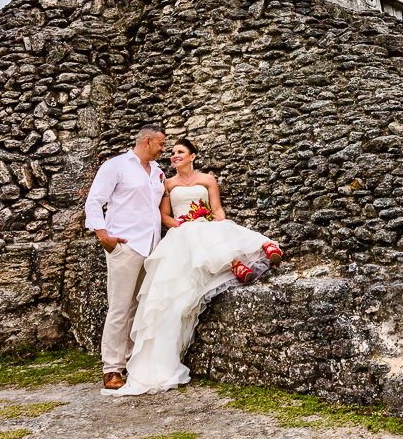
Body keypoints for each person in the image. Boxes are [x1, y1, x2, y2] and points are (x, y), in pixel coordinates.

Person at [105, 138, 281, 396]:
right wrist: (183, 223)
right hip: (180, 231)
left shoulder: (208, 179)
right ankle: (235, 263)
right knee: (193, 233)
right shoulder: (167, 184)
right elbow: (164, 216)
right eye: (172, 153)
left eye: (180, 152)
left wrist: (206, 218)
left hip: (203, 225)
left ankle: (263, 248)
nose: (174, 156)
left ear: (193, 156)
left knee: (212, 229)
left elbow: (218, 211)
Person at [84, 124, 168, 390]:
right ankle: (112, 369)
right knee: (119, 308)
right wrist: (103, 235)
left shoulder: (157, 172)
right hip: (126, 245)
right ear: (147, 141)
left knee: (139, 307)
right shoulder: (116, 166)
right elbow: (94, 200)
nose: (163, 149)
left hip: (152, 246)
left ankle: (133, 363)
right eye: (161, 144)